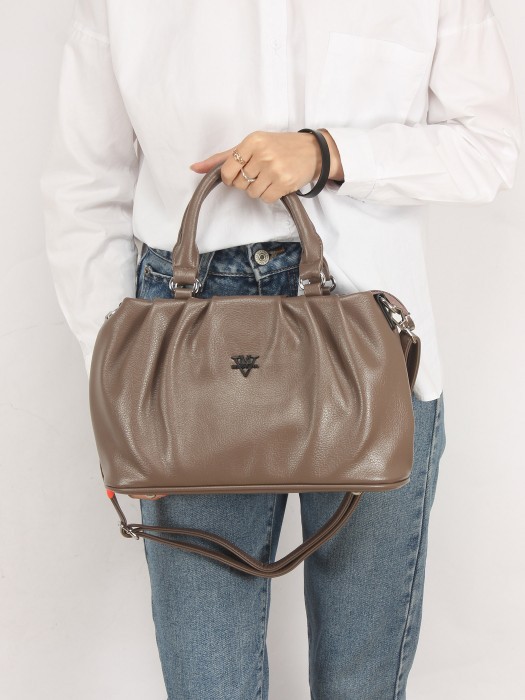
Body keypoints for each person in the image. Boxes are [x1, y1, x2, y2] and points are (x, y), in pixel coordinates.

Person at [39, 1, 521, 698]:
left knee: (362, 680)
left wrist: (329, 154)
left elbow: (492, 145)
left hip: (368, 335)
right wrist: (119, 390)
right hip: (181, 342)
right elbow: (84, 187)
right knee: (207, 681)